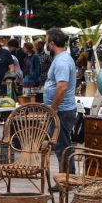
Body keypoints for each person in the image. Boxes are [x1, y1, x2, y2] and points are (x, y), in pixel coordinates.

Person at [43, 29, 78, 171]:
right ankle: (67, 176)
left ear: (51, 44)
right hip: (61, 109)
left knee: (62, 146)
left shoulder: (62, 61)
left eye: (46, 41)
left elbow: (62, 86)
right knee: (62, 145)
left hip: (62, 111)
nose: (45, 45)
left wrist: (54, 107)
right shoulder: (61, 58)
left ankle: (66, 179)